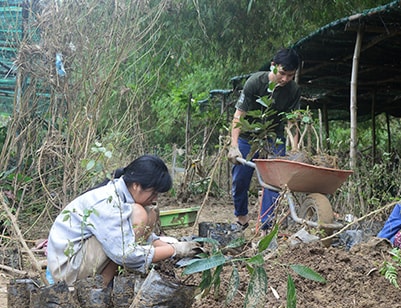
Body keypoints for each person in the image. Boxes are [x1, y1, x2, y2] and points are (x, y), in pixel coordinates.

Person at [47, 154, 202, 286]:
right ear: (136, 185)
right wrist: (175, 250)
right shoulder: (108, 202)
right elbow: (126, 254)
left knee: (150, 211)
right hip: (68, 269)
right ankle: (101, 287)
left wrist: (179, 249)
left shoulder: (121, 195)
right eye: (153, 192)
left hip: (84, 257)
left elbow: (147, 239)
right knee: (140, 213)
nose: (155, 198)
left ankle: (105, 284)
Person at [227, 48, 301, 232]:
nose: (285, 79)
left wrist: (294, 150)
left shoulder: (293, 90)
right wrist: (234, 145)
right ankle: (242, 218)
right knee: (240, 180)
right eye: (282, 73)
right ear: (273, 66)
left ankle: (266, 226)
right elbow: (239, 116)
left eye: (290, 75)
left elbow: (293, 122)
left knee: (274, 182)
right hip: (248, 137)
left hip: (274, 138)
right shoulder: (255, 82)